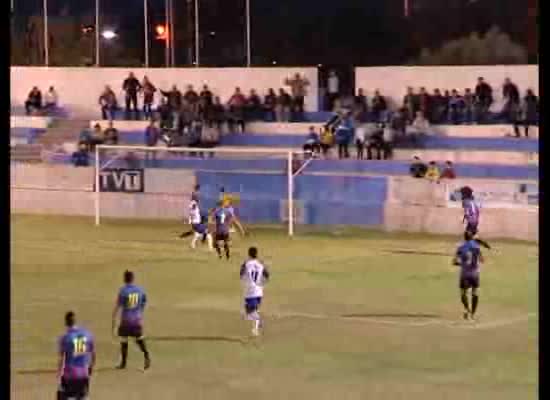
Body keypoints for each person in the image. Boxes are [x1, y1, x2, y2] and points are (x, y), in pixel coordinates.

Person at [112, 270, 151, 370]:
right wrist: (140, 311)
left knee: (124, 340)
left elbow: (118, 305)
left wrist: (114, 318)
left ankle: (123, 363)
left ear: (125, 279)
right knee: (139, 338)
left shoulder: (123, 291)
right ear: (133, 278)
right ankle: (146, 355)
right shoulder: (140, 290)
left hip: (126, 319)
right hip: (137, 319)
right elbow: (144, 301)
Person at [56, 311, 95, 400]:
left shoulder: (65, 338)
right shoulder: (87, 334)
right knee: (83, 396)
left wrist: (59, 374)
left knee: (63, 395)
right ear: (75, 321)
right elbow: (93, 354)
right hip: (84, 373)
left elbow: (62, 359)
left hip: (70, 374)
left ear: (66, 322)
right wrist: (90, 368)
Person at [453, 231, 484, 320]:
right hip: (475, 274)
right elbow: (482, 260)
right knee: (475, 293)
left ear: (464, 238)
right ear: (471, 237)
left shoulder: (460, 247)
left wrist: (462, 263)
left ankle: (467, 309)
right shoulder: (477, 247)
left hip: (465, 274)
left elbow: (454, 262)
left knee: (463, 293)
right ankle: (473, 314)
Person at [240, 247, 270, 336]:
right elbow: (267, 275)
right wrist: (262, 283)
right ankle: (256, 326)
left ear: (249, 254)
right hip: (259, 291)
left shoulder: (246, 263)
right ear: (257, 254)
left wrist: (245, 278)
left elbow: (241, 274)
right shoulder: (261, 264)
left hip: (250, 292)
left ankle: (257, 325)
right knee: (254, 310)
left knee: (249, 312)